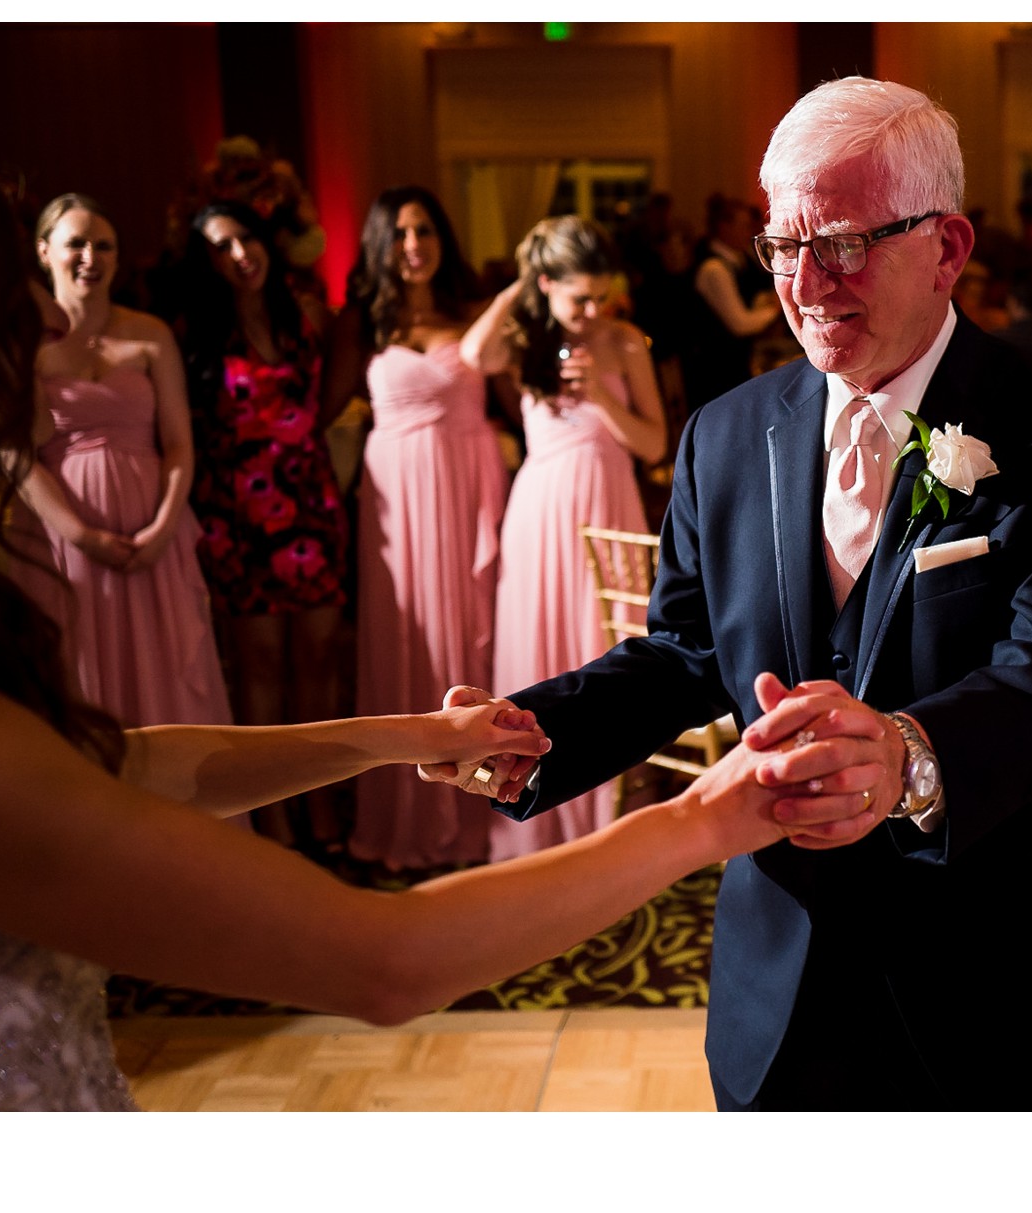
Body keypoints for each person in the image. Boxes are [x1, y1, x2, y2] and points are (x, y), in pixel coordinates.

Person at [0, 92, 794, 1112]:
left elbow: (131, 762)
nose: (35, 329)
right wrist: (708, 813)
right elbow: (382, 961)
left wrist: (407, 733)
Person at [431, 77, 1032, 1110]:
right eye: (781, 247)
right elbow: (687, 651)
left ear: (947, 247)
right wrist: (536, 727)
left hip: (1001, 971)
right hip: (782, 976)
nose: (804, 281)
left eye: (839, 242)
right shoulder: (728, 433)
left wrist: (907, 754)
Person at [460, 216, 667, 860]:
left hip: (608, 503)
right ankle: (535, 812)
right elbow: (473, 355)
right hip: (542, 510)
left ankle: (607, 823)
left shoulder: (626, 341)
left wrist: (603, 401)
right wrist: (523, 279)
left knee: (608, 648)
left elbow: (657, 444)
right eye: (579, 296)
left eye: (600, 296)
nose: (592, 310)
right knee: (542, 645)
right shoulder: (527, 338)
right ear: (546, 285)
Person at [319, 186, 509, 869]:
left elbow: (524, 396)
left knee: (472, 636)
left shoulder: (472, 316)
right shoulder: (363, 326)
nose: (413, 245)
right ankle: (407, 818)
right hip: (396, 501)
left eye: (424, 230)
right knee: (407, 644)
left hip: (467, 494)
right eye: (398, 234)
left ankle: (477, 813)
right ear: (379, 245)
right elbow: (316, 415)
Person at [18, 192, 233, 727]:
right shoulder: (22, 341)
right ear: (45, 252)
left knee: (167, 678)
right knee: (82, 676)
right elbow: (14, 453)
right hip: (63, 538)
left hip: (151, 536)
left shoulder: (149, 334)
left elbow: (180, 443)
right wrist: (79, 534)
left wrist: (162, 528)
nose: (91, 257)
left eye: (104, 245)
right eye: (76, 245)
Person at [177, 199, 350, 844]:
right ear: (206, 263)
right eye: (221, 247)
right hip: (236, 514)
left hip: (309, 503)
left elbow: (330, 400)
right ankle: (271, 806)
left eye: (245, 238)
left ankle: (320, 797)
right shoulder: (195, 334)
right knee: (260, 664)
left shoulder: (305, 314)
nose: (239, 254)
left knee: (319, 656)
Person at [681, 193, 782, 413]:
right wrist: (778, 307)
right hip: (714, 372)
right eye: (744, 226)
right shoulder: (713, 268)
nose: (749, 232)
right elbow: (739, 324)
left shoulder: (740, 260)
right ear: (724, 227)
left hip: (734, 365)